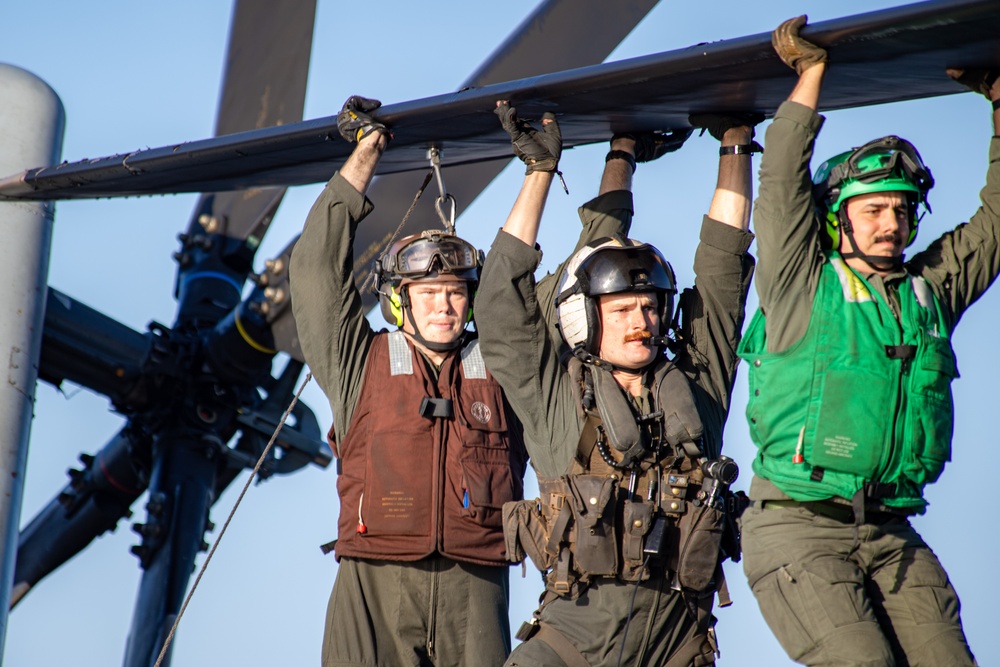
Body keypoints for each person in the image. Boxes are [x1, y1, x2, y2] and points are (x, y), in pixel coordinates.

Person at [737, 16, 1000, 667]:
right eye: (874, 208)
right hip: (796, 526)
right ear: (837, 218)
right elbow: (779, 189)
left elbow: (997, 219)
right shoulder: (802, 282)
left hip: (891, 529)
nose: (893, 223)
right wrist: (811, 75)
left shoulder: (928, 292)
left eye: (904, 209)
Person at [477, 99, 757, 667]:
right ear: (584, 317)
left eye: (650, 306)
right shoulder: (554, 396)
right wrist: (539, 175)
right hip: (570, 641)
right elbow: (499, 304)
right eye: (623, 307)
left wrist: (736, 142)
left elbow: (724, 267)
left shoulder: (696, 385)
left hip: (677, 642)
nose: (642, 320)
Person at [289, 96, 528, 667]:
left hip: (476, 581)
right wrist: (367, 152)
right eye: (428, 294)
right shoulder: (359, 362)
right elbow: (317, 270)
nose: (444, 306)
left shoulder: (503, 362)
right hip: (374, 580)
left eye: (454, 293)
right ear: (399, 301)